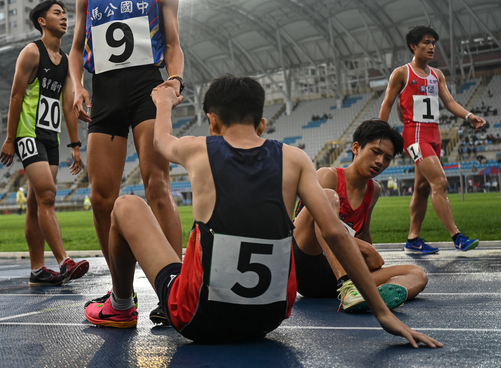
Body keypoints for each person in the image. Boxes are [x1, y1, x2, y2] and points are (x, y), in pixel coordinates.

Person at [84, 75, 441, 349]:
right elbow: (334, 233)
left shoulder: (198, 150)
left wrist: (162, 102)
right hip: (267, 319)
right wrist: (381, 312)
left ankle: (119, 304)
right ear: (262, 124)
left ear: (211, 121)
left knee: (126, 205)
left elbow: (160, 141)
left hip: (200, 319)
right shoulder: (296, 158)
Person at [69, 0, 184, 323]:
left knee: (158, 184)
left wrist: (173, 81)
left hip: (146, 89)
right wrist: (79, 85)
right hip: (106, 92)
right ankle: (121, 295)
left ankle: (177, 290)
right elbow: (77, 48)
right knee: (102, 198)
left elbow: (173, 44)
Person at [293, 120, 429, 313]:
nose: (381, 161)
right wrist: (364, 249)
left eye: (387, 158)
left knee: (418, 273)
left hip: (336, 276)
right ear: (356, 148)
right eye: (376, 152)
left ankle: (377, 297)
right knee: (327, 196)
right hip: (305, 266)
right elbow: (301, 227)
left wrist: (369, 258)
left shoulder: (374, 191)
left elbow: (363, 234)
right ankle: (348, 287)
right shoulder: (327, 176)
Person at [0, 0, 89, 286]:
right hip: (29, 134)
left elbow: (67, 106)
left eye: (65, 13)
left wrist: (75, 146)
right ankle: (65, 262)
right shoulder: (31, 53)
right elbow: (15, 96)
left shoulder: (64, 61)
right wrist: (10, 139)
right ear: (42, 21)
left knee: (35, 203)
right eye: (57, 13)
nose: (64, 18)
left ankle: (38, 270)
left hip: (51, 137)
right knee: (48, 196)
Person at [379, 26, 486, 253]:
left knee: (422, 188)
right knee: (440, 182)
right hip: (415, 135)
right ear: (413, 46)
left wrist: (468, 116)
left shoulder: (437, 75)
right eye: (426, 42)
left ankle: (413, 239)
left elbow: (449, 102)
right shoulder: (402, 73)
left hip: (434, 134)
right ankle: (457, 236)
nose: (431, 47)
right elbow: (387, 103)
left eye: (433, 43)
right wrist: (379, 133)